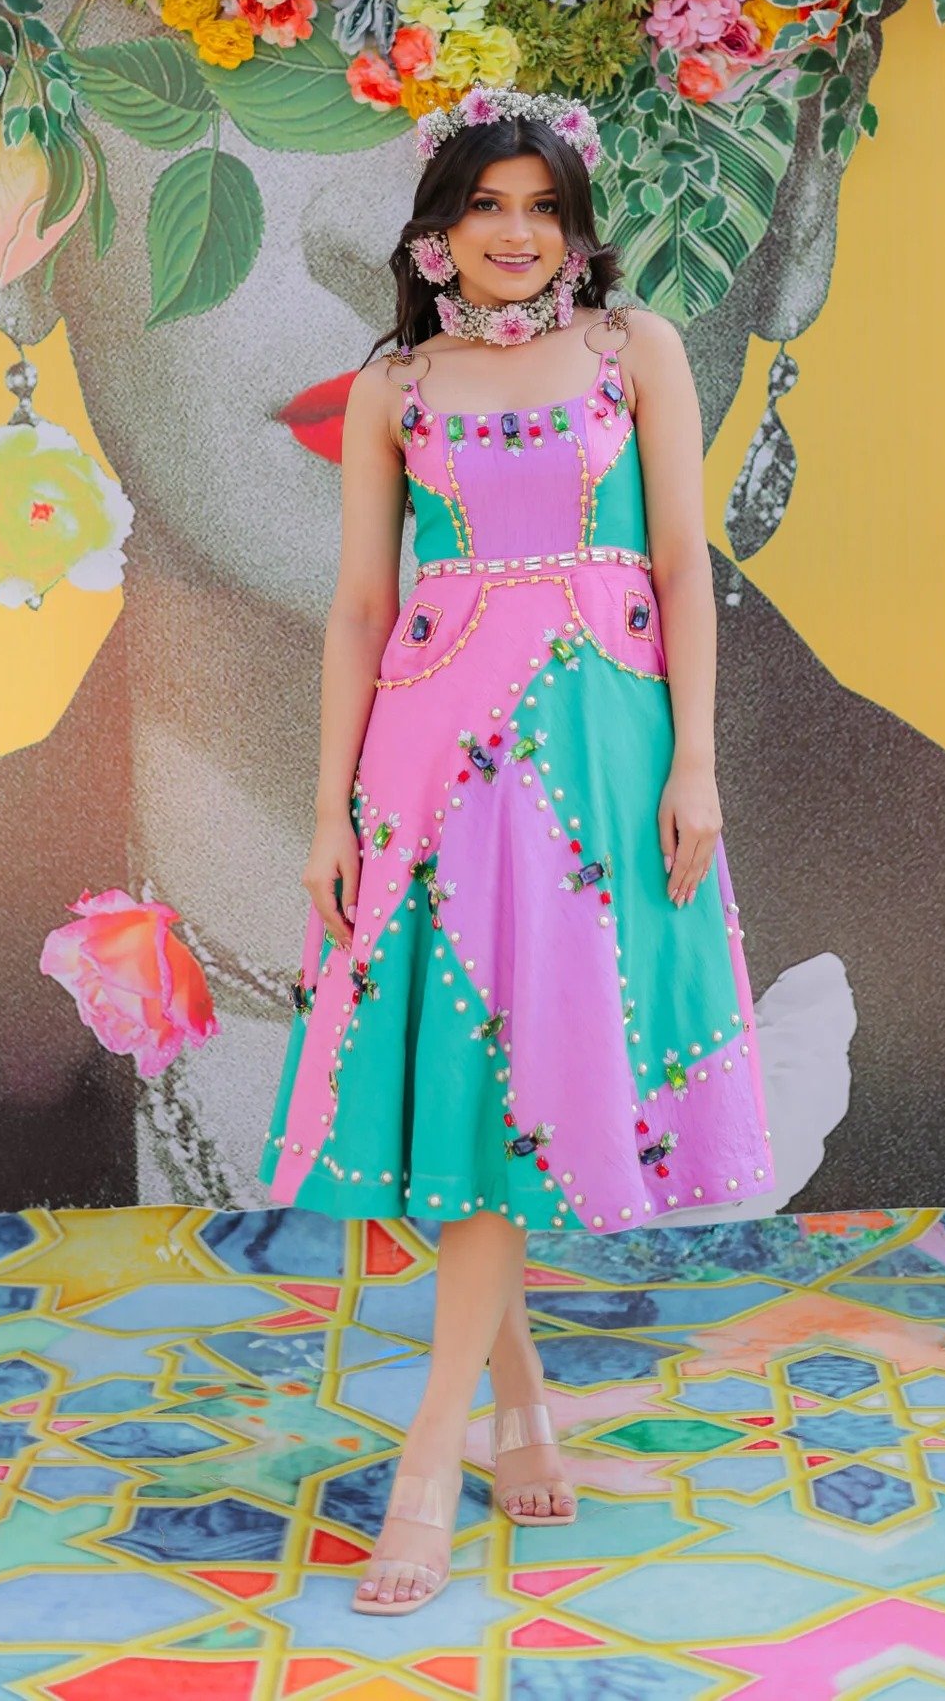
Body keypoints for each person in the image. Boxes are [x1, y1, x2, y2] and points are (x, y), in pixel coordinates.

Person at [258, 82, 779, 1615]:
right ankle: (512, 1410)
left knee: (524, 1080)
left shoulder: (636, 352)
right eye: (488, 203)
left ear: (577, 225)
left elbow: (680, 561)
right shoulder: (396, 386)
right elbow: (360, 608)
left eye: (543, 206)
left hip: (598, 755)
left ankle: (434, 1453)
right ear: (438, 225)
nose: (517, 231)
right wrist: (328, 811)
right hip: (430, 766)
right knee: (480, 1088)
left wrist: (696, 762)